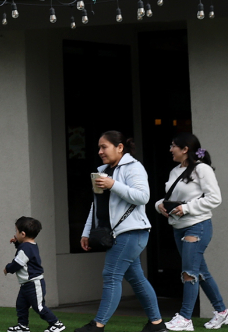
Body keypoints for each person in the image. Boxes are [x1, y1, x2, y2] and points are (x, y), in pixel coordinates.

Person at [77, 131, 163, 332]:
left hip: (132, 232)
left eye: (104, 147)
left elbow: (143, 197)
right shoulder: (104, 171)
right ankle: (157, 324)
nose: (100, 151)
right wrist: (86, 232)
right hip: (121, 234)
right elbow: (97, 204)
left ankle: (97, 325)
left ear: (120, 147)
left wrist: (113, 184)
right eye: (99, 147)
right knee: (136, 278)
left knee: (111, 275)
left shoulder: (134, 168)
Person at [154, 134, 228, 331]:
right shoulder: (174, 171)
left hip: (198, 225)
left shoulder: (202, 169)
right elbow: (169, 197)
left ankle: (185, 317)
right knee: (199, 271)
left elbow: (215, 198)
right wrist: (159, 206)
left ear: (185, 149)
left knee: (189, 272)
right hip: (178, 227)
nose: (170, 149)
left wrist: (187, 208)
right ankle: (222, 312)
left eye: (173, 146)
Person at [5, 215, 65, 332]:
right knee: (21, 305)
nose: (15, 233)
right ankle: (22, 326)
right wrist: (17, 244)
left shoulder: (25, 248)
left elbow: (18, 263)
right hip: (26, 284)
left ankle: (56, 324)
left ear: (22, 234)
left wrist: (8, 268)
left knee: (39, 306)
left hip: (33, 283)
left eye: (16, 231)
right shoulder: (29, 245)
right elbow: (24, 255)